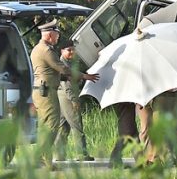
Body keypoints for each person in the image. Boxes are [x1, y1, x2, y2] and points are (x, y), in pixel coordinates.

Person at [31, 20, 98, 167]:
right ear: (49, 35)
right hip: (47, 92)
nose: (58, 37)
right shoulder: (46, 51)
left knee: (46, 125)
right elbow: (64, 70)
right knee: (52, 125)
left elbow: (53, 73)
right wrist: (84, 76)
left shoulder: (38, 48)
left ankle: (39, 157)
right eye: (56, 34)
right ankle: (46, 160)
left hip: (43, 91)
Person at [57, 42, 94, 161]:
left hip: (62, 96)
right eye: (69, 50)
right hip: (68, 96)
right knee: (77, 124)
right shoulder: (63, 64)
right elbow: (67, 85)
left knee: (64, 126)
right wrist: (74, 100)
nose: (72, 52)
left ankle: (59, 154)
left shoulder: (69, 63)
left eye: (73, 50)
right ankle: (82, 154)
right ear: (62, 51)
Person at [109, 102, 138, 168]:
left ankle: (140, 162)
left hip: (126, 104)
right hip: (124, 103)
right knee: (127, 135)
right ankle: (114, 160)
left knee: (134, 136)